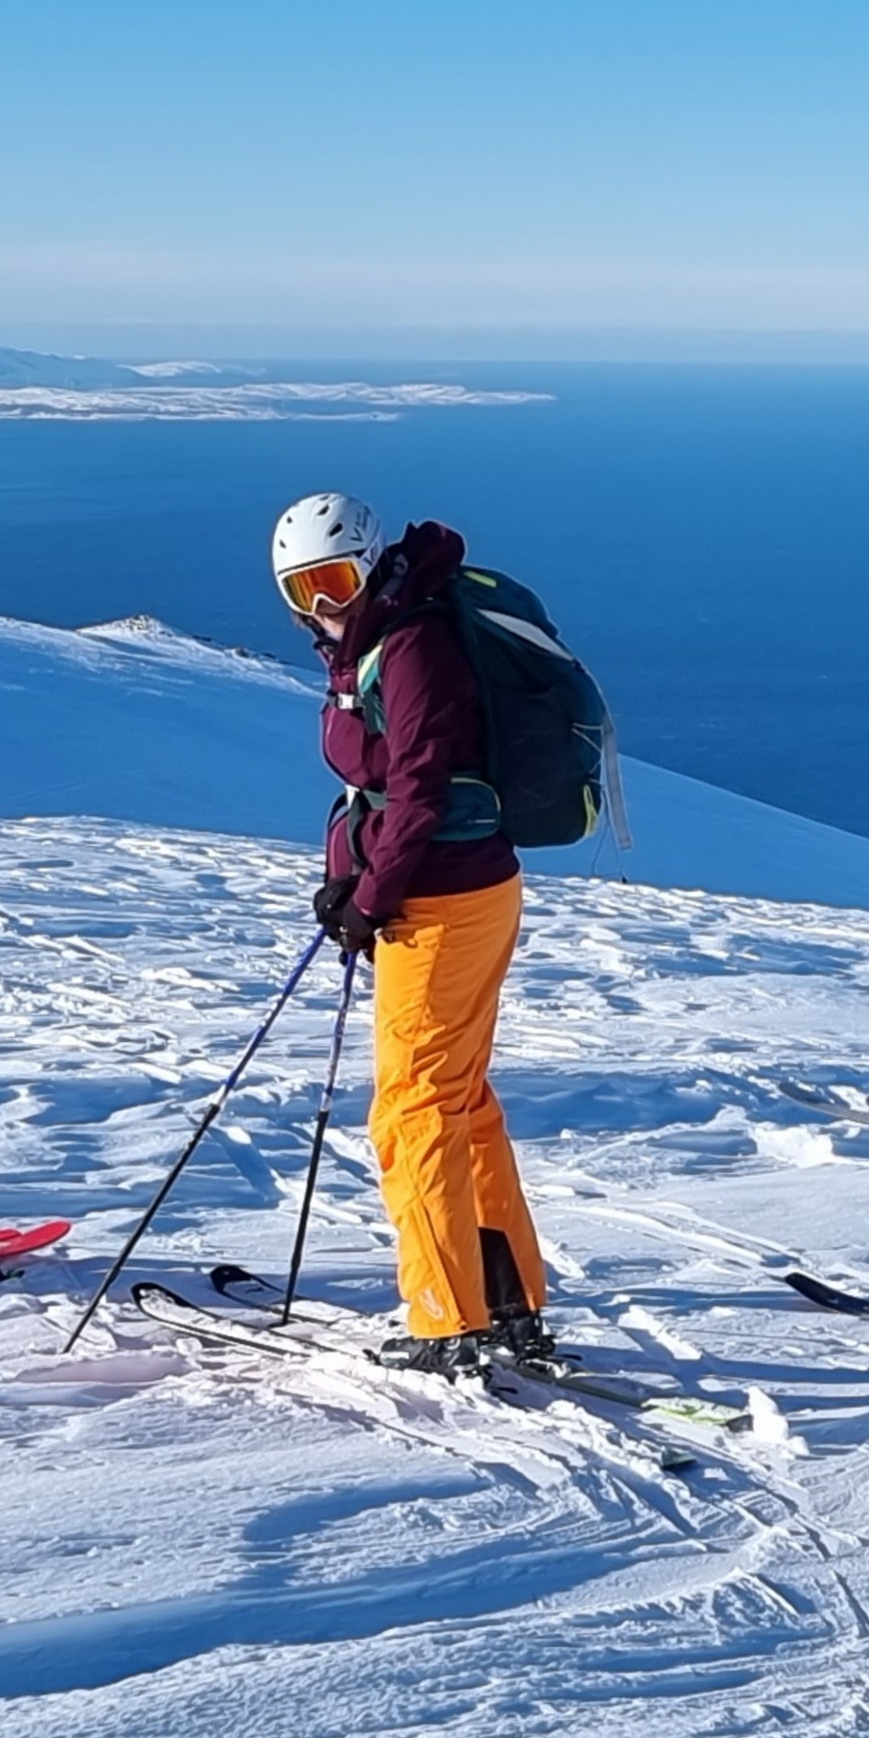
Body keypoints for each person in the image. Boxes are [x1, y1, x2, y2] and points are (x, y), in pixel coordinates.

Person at [273, 491, 553, 1375]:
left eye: (335, 580)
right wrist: (350, 883)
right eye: (302, 590)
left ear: (369, 562)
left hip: (441, 901)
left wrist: (370, 896)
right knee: (458, 1100)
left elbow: (422, 788)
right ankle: (503, 1300)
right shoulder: (375, 640)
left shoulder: (411, 646)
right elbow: (388, 787)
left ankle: (446, 1318)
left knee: (413, 1111)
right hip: (454, 891)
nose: (323, 604)